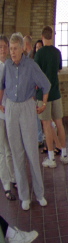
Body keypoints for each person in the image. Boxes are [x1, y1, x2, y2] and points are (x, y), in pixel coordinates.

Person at [0, 33, 51, 211]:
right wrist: (1, 104)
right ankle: (24, 196)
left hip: (28, 107)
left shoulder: (31, 65)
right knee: (16, 153)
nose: (12, 52)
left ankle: (39, 194)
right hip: (12, 108)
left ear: (22, 49)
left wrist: (43, 103)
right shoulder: (7, 65)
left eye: (15, 49)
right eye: (10, 49)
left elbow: (46, 84)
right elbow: (2, 86)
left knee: (31, 151)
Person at [35, 26, 68, 168]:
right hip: (56, 92)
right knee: (59, 123)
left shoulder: (39, 54)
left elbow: (35, 74)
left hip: (43, 95)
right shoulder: (57, 52)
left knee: (46, 125)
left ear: (42, 37)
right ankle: (64, 154)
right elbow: (59, 69)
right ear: (52, 37)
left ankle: (51, 158)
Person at [0, 36, 16, 201]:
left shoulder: (11, 66)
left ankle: (13, 178)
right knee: (2, 150)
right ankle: (6, 184)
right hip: (0, 113)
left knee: (11, 147)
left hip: (10, 112)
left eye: (5, 47)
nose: (3, 50)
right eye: (1, 47)